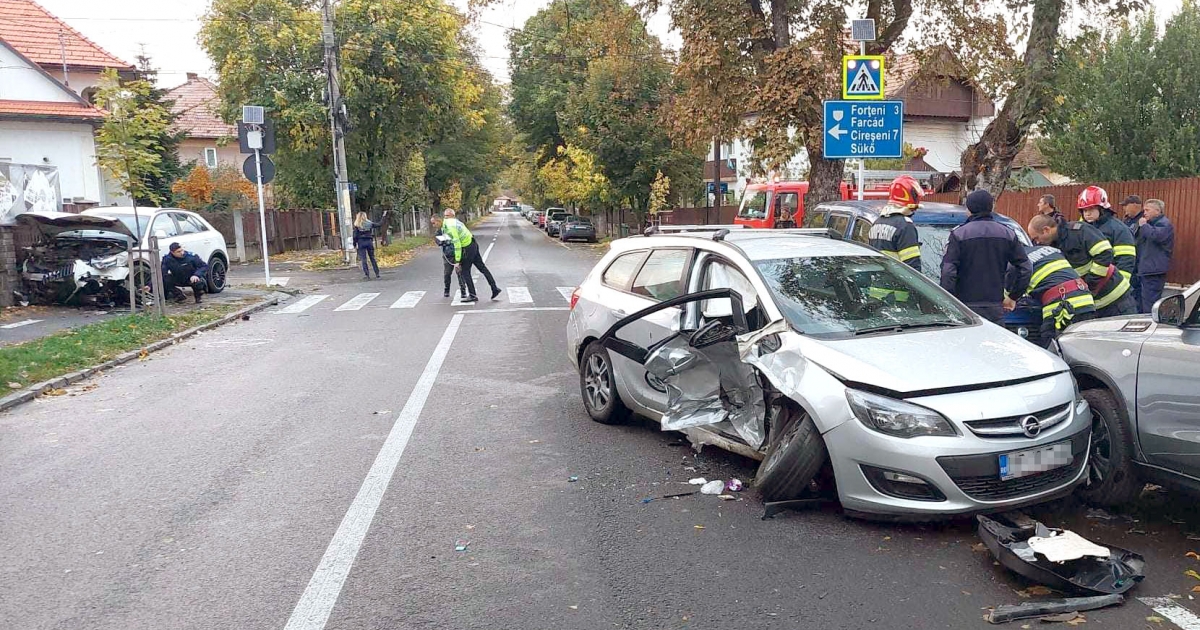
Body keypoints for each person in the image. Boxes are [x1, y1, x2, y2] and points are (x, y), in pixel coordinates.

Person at [939, 189, 1031, 323]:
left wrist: (948, 301)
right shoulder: (1008, 234)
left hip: (964, 307)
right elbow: (1025, 268)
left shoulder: (959, 234)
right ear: (991, 207)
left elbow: (948, 272)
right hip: (995, 309)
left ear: (968, 209)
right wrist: (1013, 296)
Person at [1027, 214, 1137, 318]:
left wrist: (1090, 283)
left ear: (1046, 230)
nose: (1037, 243)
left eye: (1036, 238)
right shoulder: (1051, 247)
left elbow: (1104, 253)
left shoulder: (1079, 231)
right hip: (1092, 303)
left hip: (1116, 298)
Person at [1018, 221, 1096, 344]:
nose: (1037, 241)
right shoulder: (1050, 250)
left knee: (1052, 350)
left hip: (1061, 306)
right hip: (1086, 301)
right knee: (1083, 348)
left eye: (1036, 238)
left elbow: (1011, 291)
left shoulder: (1019, 260)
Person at [1078, 186, 1136, 286]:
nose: (1087, 213)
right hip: (1085, 284)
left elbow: (1126, 260)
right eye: (1084, 210)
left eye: (1091, 209)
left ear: (1101, 209)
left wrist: (1120, 285)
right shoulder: (1079, 229)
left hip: (1109, 284)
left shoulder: (1119, 229)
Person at [441, 209, 501, 303]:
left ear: (447, 216)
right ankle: (494, 288)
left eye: (445, 216)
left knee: (465, 271)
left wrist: (457, 261)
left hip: (466, 247)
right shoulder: (456, 222)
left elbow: (457, 243)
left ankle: (472, 295)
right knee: (482, 268)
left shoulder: (449, 224)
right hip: (473, 243)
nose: (445, 217)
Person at [868, 175, 923, 271]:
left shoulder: (877, 223)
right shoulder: (905, 227)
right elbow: (912, 269)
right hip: (897, 285)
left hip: (876, 283)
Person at [1135, 198, 1175, 312]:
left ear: (1158, 211)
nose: (1144, 213)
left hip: (1154, 270)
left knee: (1150, 302)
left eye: (1147, 210)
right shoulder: (1149, 224)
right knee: (1142, 301)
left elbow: (1156, 236)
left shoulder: (1165, 224)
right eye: (1144, 210)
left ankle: (1151, 324)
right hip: (1145, 269)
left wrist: (1143, 226)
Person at [431, 216, 467, 300]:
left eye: (434, 223)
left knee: (459, 273)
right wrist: (441, 242)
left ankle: (463, 291)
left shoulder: (449, 227)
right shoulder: (439, 231)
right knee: (447, 274)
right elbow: (437, 240)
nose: (433, 225)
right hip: (447, 255)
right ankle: (446, 290)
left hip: (456, 253)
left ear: (439, 221)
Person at [1121, 195, 1145, 308]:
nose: (1124, 208)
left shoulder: (1143, 220)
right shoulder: (1127, 220)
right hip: (1128, 262)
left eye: (1126, 206)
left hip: (1138, 263)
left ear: (1135, 206)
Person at [353, 212, 380, 280]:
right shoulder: (369, 223)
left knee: (364, 259)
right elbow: (379, 224)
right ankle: (377, 273)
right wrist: (384, 216)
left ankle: (367, 275)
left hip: (361, 243)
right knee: (372, 258)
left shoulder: (357, 225)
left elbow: (355, 236)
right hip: (369, 242)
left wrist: (354, 244)